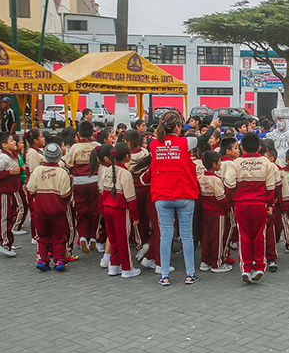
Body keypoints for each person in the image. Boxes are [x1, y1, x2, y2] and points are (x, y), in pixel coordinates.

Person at [150, 110, 211, 285]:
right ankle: (190, 274)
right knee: (187, 236)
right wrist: (213, 127)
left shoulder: (154, 145)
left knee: (165, 236)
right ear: (178, 127)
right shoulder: (185, 142)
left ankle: (164, 275)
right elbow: (204, 139)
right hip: (184, 193)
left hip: (162, 194)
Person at [223, 132, 276, 283]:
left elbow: (229, 184)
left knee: (244, 236)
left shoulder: (236, 163)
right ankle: (259, 266)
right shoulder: (267, 163)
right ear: (259, 148)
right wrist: (270, 204)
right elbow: (270, 187)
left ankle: (246, 269)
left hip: (241, 205)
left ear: (242, 148)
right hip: (260, 204)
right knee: (260, 235)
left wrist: (232, 199)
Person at [99, 143, 141, 278]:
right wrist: (135, 216)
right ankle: (127, 268)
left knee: (113, 238)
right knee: (123, 239)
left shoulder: (106, 170)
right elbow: (131, 198)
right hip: (120, 210)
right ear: (128, 157)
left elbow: (101, 191)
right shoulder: (125, 174)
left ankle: (114, 265)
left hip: (107, 208)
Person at [27, 142, 72, 271]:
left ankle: (42, 259)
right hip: (58, 209)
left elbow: (30, 189)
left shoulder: (37, 171)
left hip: (40, 209)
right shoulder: (62, 172)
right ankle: (59, 260)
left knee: (42, 236)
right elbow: (65, 193)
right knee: (59, 236)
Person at [65, 121, 101, 254]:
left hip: (79, 182)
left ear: (78, 134)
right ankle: (93, 237)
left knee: (81, 210)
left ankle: (83, 236)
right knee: (94, 210)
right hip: (95, 182)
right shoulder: (97, 146)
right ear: (93, 133)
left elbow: (68, 165)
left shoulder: (74, 148)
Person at [197, 150, 232, 273]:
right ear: (214, 164)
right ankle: (217, 263)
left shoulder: (202, 177)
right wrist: (228, 209)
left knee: (206, 237)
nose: (220, 165)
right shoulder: (215, 179)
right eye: (219, 163)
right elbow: (221, 198)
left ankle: (205, 261)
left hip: (206, 211)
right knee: (217, 238)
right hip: (217, 213)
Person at [0, 132, 21, 256]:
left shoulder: (13, 155)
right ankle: (4, 244)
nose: (15, 142)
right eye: (12, 141)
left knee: (10, 215)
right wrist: (10, 172)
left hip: (10, 190)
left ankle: (7, 242)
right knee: (5, 217)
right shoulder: (4, 157)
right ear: (4, 145)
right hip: (3, 191)